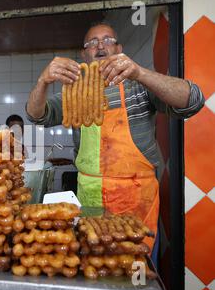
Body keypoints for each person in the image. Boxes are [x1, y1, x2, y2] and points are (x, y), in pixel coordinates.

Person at [26, 22, 205, 255]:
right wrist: (43, 81)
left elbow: (194, 101)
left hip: (136, 199)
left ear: (119, 49)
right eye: (92, 43)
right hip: (90, 197)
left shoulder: (138, 86)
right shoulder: (74, 91)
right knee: (95, 261)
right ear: (84, 54)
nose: (100, 46)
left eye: (107, 40)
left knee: (136, 269)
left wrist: (140, 72)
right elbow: (36, 115)